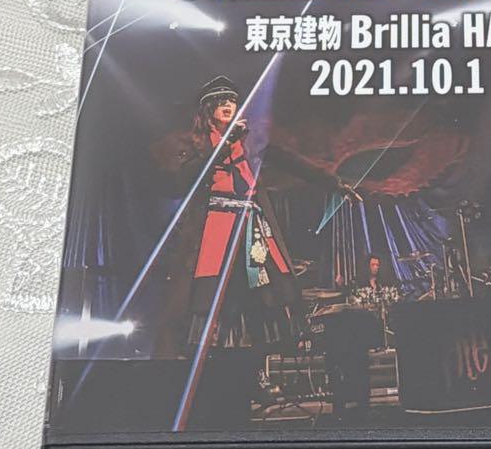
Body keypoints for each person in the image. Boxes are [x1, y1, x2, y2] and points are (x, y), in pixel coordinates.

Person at [153, 74, 359, 352]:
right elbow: (184, 180)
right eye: (222, 101)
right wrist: (224, 145)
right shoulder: (194, 145)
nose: (229, 105)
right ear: (208, 109)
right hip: (215, 232)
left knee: (263, 296)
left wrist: (335, 184)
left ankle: (258, 363)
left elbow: (292, 162)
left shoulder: (250, 144)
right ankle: (213, 361)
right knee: (216, 298)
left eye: (232, 101)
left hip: (251, 230)